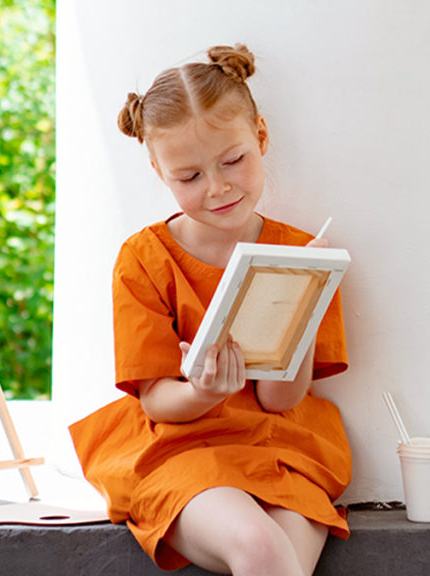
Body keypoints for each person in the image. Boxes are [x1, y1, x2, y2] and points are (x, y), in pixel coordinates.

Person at [69, 44, 351, 576]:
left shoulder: (299, 256)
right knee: (263, 550)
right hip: (181, 445)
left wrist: (302, 312)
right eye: (189, 176)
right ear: (159, 171)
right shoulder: (144, 258)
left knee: (283, 553)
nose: (218, 188)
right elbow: (156, 401)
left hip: (279, 444)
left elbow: (279, 398)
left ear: (261, 138)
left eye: (233, 161)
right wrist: (203, 390)